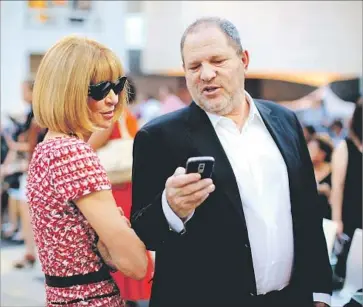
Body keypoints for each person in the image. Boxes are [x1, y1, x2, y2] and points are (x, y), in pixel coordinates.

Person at [131, 17, 332, 307]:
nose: (207, 74)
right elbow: (144, 232)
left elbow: (307, 214)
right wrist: (170, 207)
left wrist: (320, 293)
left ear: (244, 60)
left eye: (217, 61)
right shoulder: (158, 137)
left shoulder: (285, 121)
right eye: (195, 66)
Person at [27, 35, 147, 306]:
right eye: (100, 89)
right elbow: (136, 265)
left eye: (117, 86)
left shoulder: (48, 149)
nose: (113, 98)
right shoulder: (73, 153)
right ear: (67, 91)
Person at [88, 78, 154, 307]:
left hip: (115, 189)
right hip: (130, 186)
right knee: (129, 238)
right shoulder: (130, 117)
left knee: (115, 240)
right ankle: (134, 293)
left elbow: (87, 150)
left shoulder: (110, 119)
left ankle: (122, 296)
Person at [330, 100, 362, 288]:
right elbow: (338, 186)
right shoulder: (345, 147)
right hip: (351, 214)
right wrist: (337, 220)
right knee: (350, 265)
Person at [308, 134, 334, 219]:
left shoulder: (333, 170)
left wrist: (328, 192)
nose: (308, 152)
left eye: (312, 149)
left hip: (328, 218)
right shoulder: (305, 170)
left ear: (323, 153)